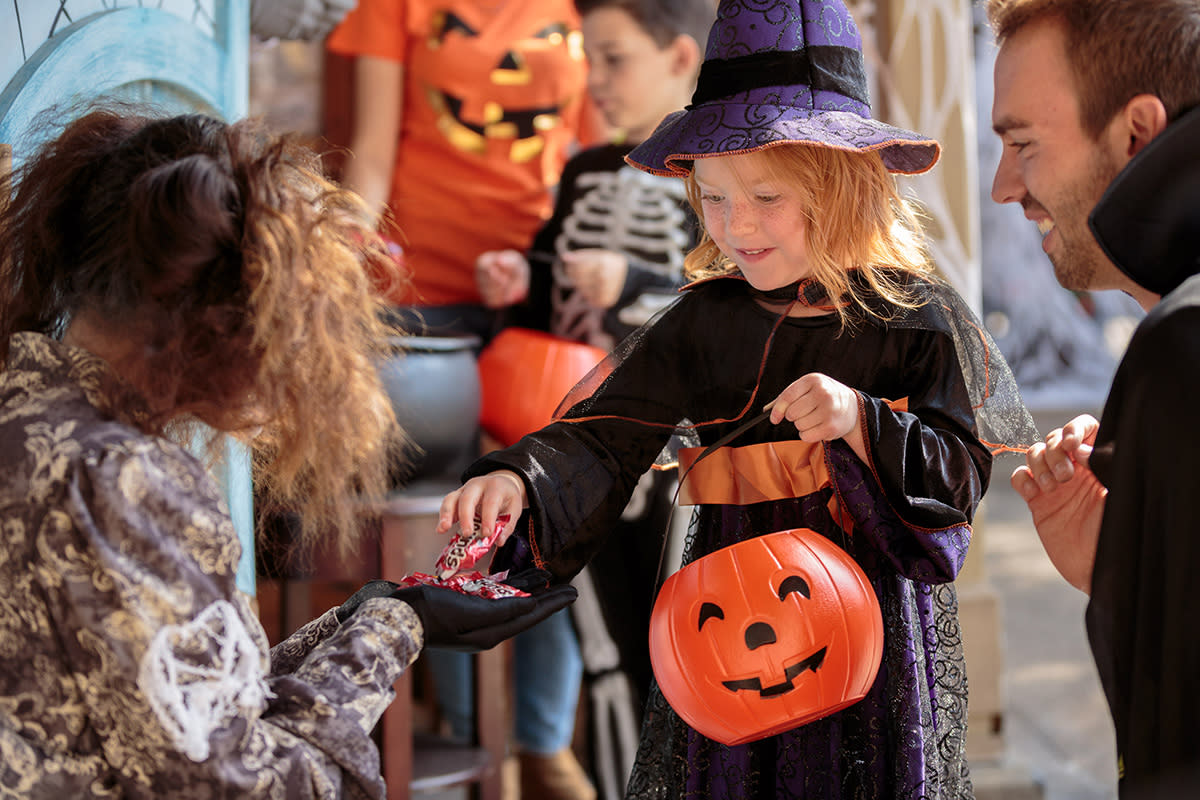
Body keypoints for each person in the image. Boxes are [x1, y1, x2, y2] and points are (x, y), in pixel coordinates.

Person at [437, 0, 1036, 796]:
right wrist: (521, 479)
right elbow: (604, 434)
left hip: (874, 645)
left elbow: (956, 476)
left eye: (765, 199)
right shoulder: (704, 321)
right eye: (713, 198)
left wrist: (862, 421)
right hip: (729, 635)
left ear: (845, 189)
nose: (734, 226)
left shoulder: (917, 322)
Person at [0, 107, 576, 798]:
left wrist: (368, 616)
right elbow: (252, 783)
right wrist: (399, 628)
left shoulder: (23, 411)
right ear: (225, 321)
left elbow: (190, 704)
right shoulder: (123, 481)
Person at [325, 5, 603, 795]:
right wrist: (340, 253)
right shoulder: (400, 7)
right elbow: (371, 157)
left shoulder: (575, 10)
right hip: (421, 308)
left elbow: (584, 152)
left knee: (552, 511)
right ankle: (466, 732)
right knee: (452, 520)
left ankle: (544, 743)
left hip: (538, 296)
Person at [473, 1, 711, 794]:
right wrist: (522, 281)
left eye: (614, 59)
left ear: (680, 57)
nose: (594, 81)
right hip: (587, 445)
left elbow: (726, 298)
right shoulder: (583, 169)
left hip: (678, 460)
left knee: (682, 658)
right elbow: (552, 293)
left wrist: (635, 281)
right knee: (607, 653)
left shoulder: (712, 172)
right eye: (591, 59)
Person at [986, 0, 1200, 795]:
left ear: (1136, 133)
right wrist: (1129, 576)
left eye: (1023, 145)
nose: (1007, 187)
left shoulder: (1184, 343)